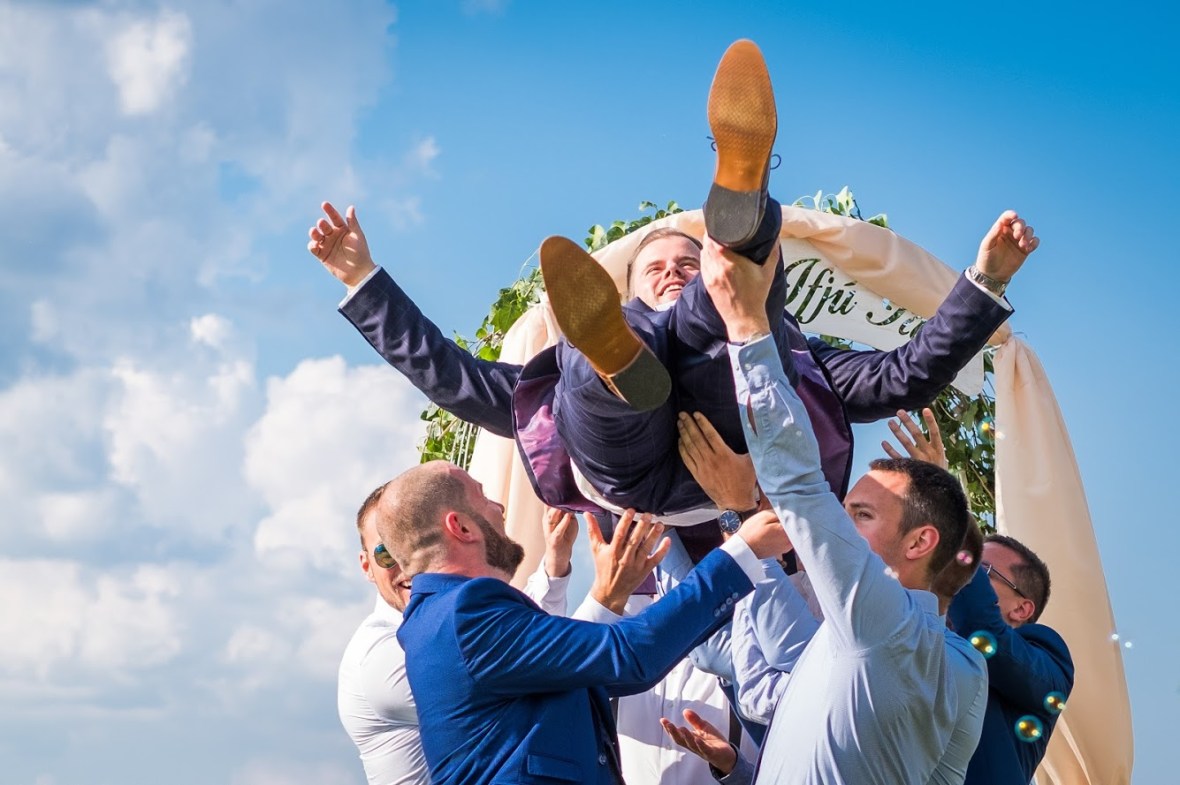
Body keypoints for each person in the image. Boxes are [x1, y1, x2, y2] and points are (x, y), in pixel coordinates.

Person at [306, 39, 1028, 520]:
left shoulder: (797, 356)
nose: (671, 272)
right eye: (656, 267)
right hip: (631, 470)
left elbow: (903, 375)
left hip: (741, 453)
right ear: (627, 288)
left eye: (684, 262)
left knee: (734, 317)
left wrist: (983, 281)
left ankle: (739, 218)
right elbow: (451, 376)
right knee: (594, 370)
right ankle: (620, 360)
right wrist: (362, 279)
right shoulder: (621, 327)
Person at [699, 231, 1003, 784]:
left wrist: (746, 327)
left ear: (920, 542)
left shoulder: (879, 621)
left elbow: (797, 484)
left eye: (862, 514)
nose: (839, 520)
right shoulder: (967, 670)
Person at [377, 460, 792, 785]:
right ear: (461, 526)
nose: (498, 507)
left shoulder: (436, 621)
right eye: (483, 497)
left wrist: (610, 596)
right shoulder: (465, 613)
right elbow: (629, 655)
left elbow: (590, 672)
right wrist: (741, 552)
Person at [338, 486, 582, 784]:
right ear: (366, 566)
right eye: (387, 552)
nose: (407, 563)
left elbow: (525, 649)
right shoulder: (380, 656)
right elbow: (537, 667)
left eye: (419, 542)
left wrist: (555, 565)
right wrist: (606, 598)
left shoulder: (450, 627)